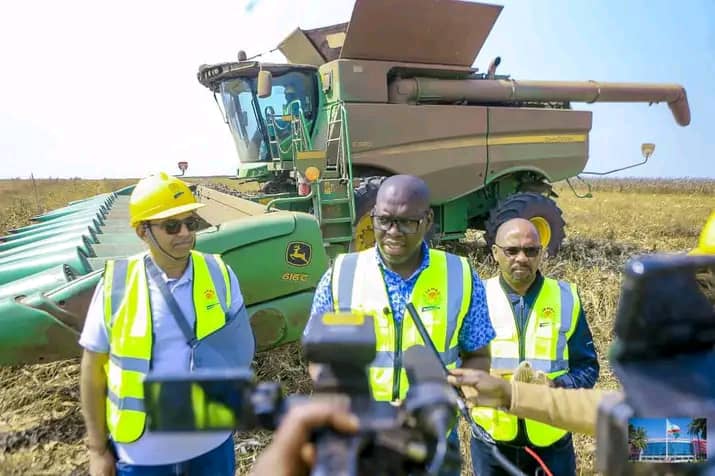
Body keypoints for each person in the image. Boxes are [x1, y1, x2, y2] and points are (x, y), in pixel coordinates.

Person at [304, 174, 495, 474]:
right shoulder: (342, 275)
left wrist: (449, 400)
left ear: (428, 220)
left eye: (406, 222)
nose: (392, 232)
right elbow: (318, 358)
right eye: (384, 220)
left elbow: (479, 354)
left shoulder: (460, 276)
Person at [79, 172, 256, 476]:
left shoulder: (219, 273)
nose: (185, 233)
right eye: (172, 226)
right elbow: (92, 372)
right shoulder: (117, 286)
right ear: (141, 232)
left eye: (191, 222)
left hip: (211, 443)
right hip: (145, 454)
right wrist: (97, 450)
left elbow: (239, 349)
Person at [471, 218, 599, 476]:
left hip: (551, 442)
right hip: (492, 443)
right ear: (495, 253)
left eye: (531, 251)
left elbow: (587, 367)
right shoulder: (475, 298)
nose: (521, 258)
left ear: (541, 253)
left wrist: (556, 387)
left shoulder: (566, 298)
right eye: (512, 250)